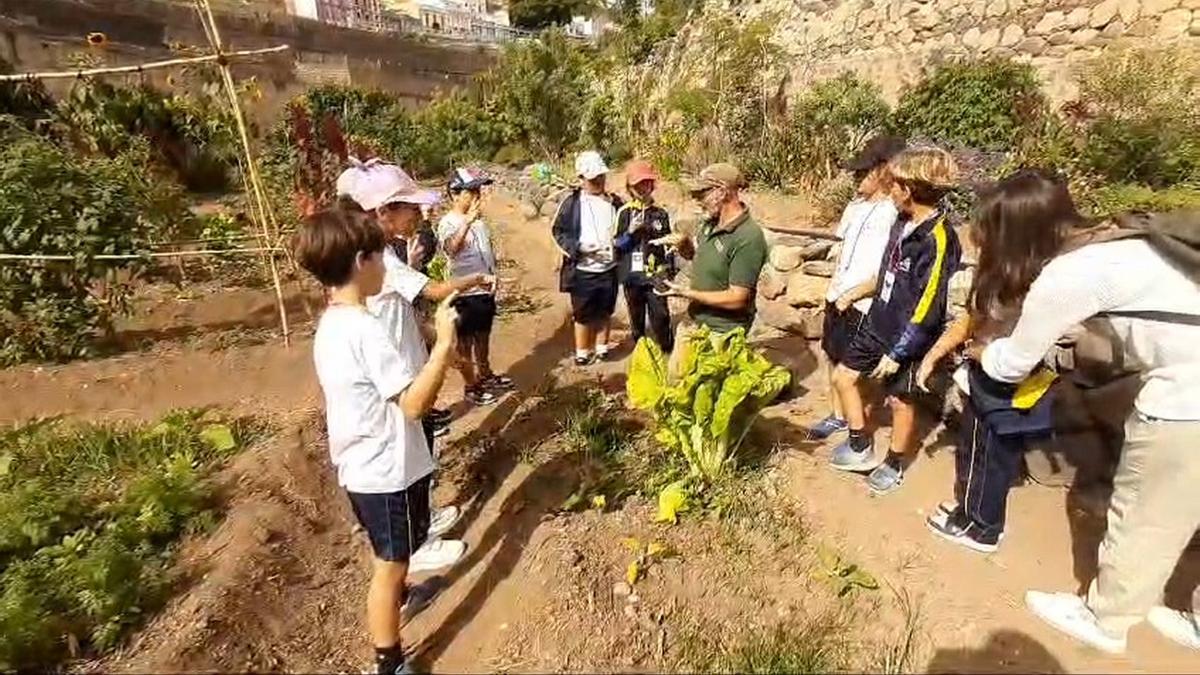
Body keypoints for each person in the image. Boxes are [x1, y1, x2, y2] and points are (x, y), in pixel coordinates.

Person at [973, 207, 1199, 653]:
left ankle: (1106, 619)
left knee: (1146, 515)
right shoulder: (1144, 246)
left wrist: (983, 354)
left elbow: (1014, 362)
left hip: (1187, 401)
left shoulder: (1074, 270)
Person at [296, 208, 463, 675]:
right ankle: (387, 661)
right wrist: (445, 345)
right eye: (379, 258)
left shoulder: (335, 322)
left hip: (368, 464)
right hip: (382, 469)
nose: (385, 267)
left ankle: (405, 596)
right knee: (389, 565)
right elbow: (413, 405)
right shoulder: (365, 329)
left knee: (394, 554)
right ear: (359, 261)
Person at [914, 170, 1077, 553]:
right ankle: (968, 507)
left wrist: (974, 353)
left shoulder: (1052, 286)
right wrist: (937, 353)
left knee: (990, 458)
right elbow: (974, 317)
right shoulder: (1007, 269)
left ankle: (982, 528)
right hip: (986, 379)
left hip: (1013, 389)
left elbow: (1026, 354)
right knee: (975, 449)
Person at [338, 162, 490, 546]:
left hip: (402, 370)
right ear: (382, 212)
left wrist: (429, 337)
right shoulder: (380, 260)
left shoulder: (382, 255)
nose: (420, 215)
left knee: (418, 455)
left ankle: (421, 524)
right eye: (411, 208)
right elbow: (433, 292)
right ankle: (415, 544)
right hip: (395, 380)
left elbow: (398, 313)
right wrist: (475, 280)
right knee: (404, 464)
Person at [828, 146, 962, 496]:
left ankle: (894, 462)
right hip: (878, 322)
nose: (890, 190)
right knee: (844, 376)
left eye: (896, 184)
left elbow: (928, 304)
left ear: (910, 189)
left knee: (900, 401)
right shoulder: (901, 223)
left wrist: (899, 352)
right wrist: (855, 293)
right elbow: (887, 274)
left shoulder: (940, 239)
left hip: (907, 335)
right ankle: (859, 444)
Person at [809, 135, 905, 441]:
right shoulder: (854, 207)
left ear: (882, 171)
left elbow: (891, 266)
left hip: (863, 302)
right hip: (837, 295)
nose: (856, 178)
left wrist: (857, 293)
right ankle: (837, 415)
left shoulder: (895, 212)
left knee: (854, 366)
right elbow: (841, 249)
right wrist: (834, 290)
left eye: (862, 172)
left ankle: (859, 427)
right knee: (831, 354)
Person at [658, 162, 768, 346]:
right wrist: (685, 245)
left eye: (702, 194)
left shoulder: (748, 237)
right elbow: (701, 259)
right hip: (696, 321)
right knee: (677, 374)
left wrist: (688, 293)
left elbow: (737, 298)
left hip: (722, 332)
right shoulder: (709, 224)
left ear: (722, 192)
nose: (697, 200)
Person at [439, 167, 514, 405]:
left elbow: (486, 252)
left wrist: (494, 275)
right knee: (465, 342)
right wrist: (467, 223)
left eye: (478, 189)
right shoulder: (448, 222)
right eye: (471, 190)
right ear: (455, 194)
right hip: (464, 292)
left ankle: (485, 374)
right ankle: (471, 386)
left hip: (484, 290)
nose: (477, 194)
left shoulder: (480, 223)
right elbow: (451, 249)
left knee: (483, 336)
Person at [552, 150, 624, 365]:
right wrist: (579, 247)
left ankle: (602, 348)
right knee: (583, 313)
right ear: (581, 179)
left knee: (605, 310)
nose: (598, 182)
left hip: (608, 268)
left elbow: (624, 228)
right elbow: (558, 231)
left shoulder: (614, 203)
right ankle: (582, 352)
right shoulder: (572, 204)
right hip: (583, 269)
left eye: (601, 177)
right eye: (593, 179)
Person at [614, 159, 675, 352]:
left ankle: (667, 350)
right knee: (636, 316)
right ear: (630, 187)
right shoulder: (624, 213)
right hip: (632, 274)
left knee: (661, 315)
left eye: (646, 183)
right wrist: (630, 232)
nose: (642, 188)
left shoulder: (660, 214)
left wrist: (670, 269)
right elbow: (617, 245)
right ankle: (642, 352)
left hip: (656, 273)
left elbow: (669, 244)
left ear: (652, 185)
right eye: (637, 184)